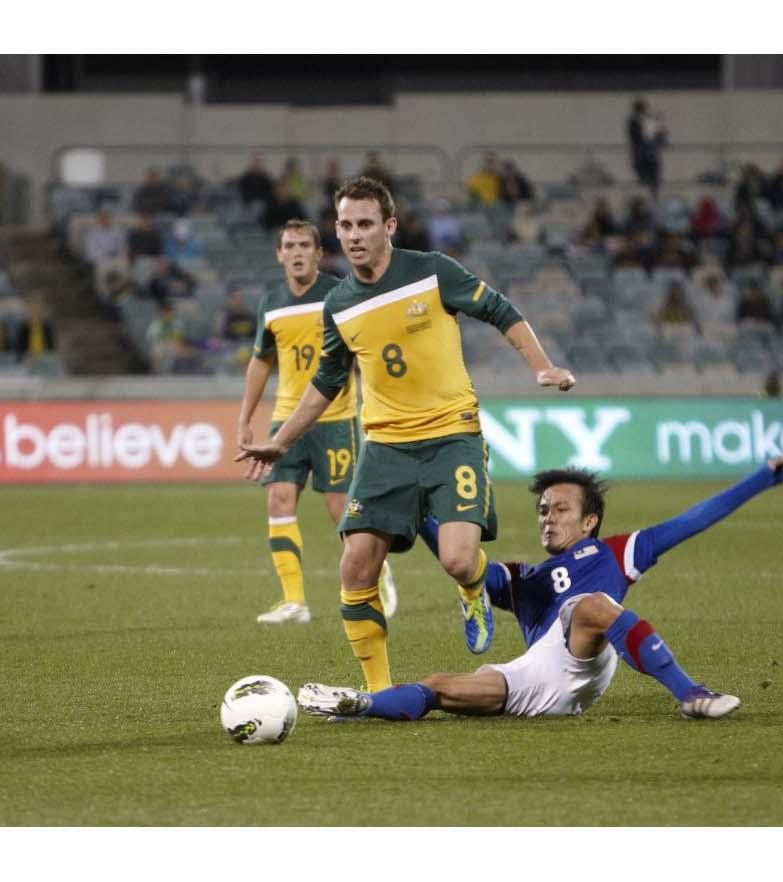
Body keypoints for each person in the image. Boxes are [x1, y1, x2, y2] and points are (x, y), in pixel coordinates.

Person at [236, 176, 576, 693]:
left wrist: (542, 367)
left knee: (459, 559)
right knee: (355, 567)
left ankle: (473, 589)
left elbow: (500, 310)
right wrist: (280, 440)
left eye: (365, 224)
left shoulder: (431, 271)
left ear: (389, 226)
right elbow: (326, 382)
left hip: (451, 436)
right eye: (346, 225)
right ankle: (380, 692)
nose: (354, 235)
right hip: (385, 448)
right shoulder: (340, 304)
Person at [296, 459, 783, 722]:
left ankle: (691, 695)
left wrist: (761, 479)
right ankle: (360, 704)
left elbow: (693, 519)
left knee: (589, 607)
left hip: (586, 651)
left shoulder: (618, 552)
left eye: (559, 509)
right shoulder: (527, 579)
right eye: (542, 510)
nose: (547, 517)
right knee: (440, 688)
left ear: (590, 520)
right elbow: (467, 567)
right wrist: (422, 510)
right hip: (539, 683)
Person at [236, 220, 396, 625]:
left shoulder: (338, 294)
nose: (296, 252)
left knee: (341, 508)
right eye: (289, 245)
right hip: (285, 420)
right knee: (278, 499)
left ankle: (378, 573)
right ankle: (294, 602)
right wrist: (245, 419)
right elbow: (261, 361)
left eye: (304, 245)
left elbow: (365, 350)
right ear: (279, 253)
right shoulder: (271, 302)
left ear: (318, 252)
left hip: (334, 418)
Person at [626, 98, 665, 199]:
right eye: (641, 109)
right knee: (643, 178)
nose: (643, 111)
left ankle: (654, 194)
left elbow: (658, 134)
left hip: (650, 153)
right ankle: (648, 193)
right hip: (641, 153)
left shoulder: (649, 120)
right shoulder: (633, 121)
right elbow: (634, 137)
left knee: (654, 178)